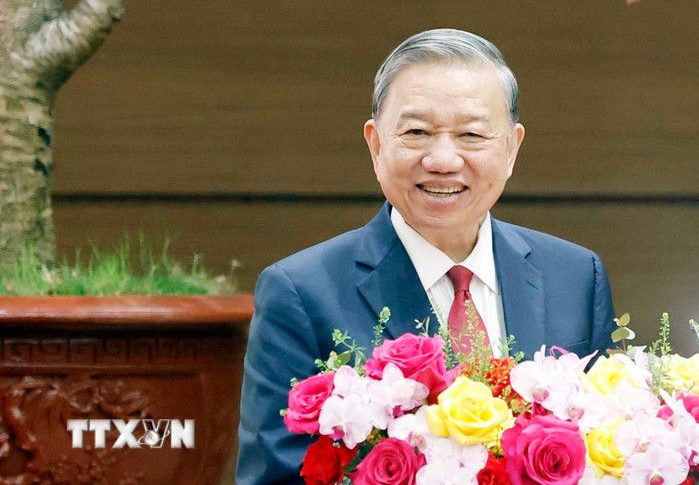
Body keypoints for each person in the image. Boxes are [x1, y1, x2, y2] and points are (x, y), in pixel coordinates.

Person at [236, 28, 616, 484]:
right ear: (376, 144)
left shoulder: (577, 276)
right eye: (417, 132)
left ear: (512, 148)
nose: (442, 159)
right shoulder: (299, 293)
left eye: (471, 134)